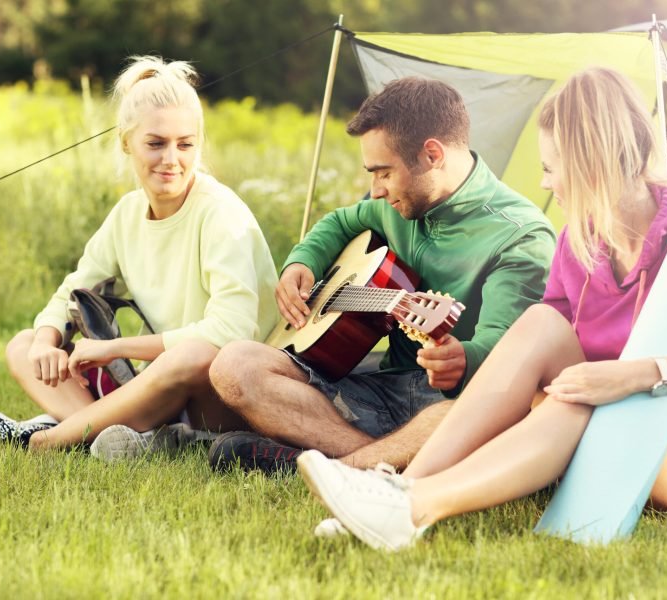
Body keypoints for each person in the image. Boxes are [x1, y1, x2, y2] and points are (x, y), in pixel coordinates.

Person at [296, 67, 667, 551]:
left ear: (589, 164)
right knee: (542, 325)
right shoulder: (578, 242)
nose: (544, 181)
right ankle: (400, 491)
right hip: (597, 412)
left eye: (550, 167)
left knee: (578, 397)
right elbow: (543, 352)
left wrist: (639, 374)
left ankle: (413, 505)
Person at [207, 77, 556, 474]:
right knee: (234, 366)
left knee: (468, 420)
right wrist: (302, 261)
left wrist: (463, 357)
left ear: (432, 155)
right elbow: (340, 222)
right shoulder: (395, 204)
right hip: (380, 391)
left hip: (447, 407)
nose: (374, 191)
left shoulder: (520, 235)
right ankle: (377, 462)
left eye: (383, 173)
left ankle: (328, 463)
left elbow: (506, 349)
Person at [0, 55, 279, 457]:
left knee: (191, 354)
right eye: (155, 143)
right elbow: (73, 292)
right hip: (163, 389)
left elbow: (232, 332)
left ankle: (48, 439)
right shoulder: (126, 215)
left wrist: (114, 349)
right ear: (127, 142)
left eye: (185, 144)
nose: (171, 159)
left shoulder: (220, 214)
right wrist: (46, 341)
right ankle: (104, 437)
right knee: (22, 345)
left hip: (227, 395)